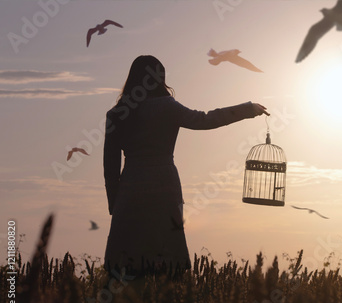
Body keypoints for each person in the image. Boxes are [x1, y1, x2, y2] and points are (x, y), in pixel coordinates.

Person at [103, 55, 269, 277]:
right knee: (167, 262)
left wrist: (114, 202)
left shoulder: (116, 114)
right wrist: (247, 109)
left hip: (130, 189)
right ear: (160, 78)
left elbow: (110, 165)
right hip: (164, 185)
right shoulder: (167, 107)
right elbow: (205, 119)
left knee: (127, 264)